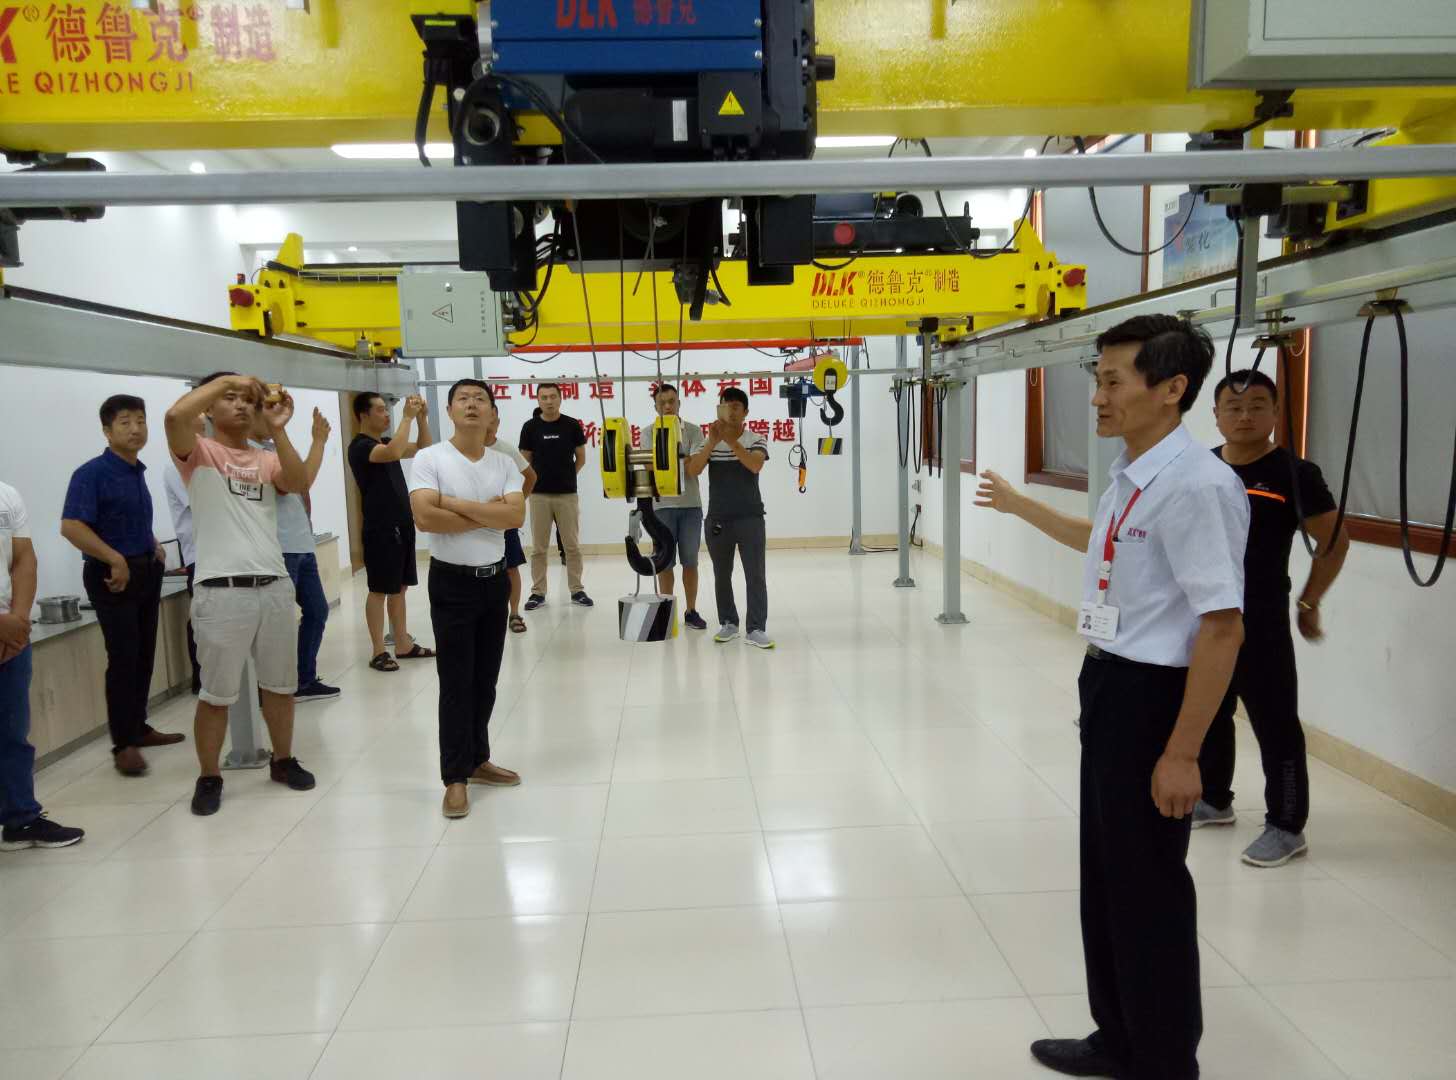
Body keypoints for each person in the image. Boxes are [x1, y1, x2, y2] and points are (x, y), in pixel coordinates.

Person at [975, 315, 1249, 1080]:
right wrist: (1019, 505)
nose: (1097, 397)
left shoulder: (1198, 487)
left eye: (1112, 381)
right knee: (1107, 878)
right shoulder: (1134, 476)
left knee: (1149, 889)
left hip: (1156, 700)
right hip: (1111, 684)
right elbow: (1098, 544)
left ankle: (1163, 1061)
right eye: (1096, 380)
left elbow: (1222, 628)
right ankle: (1118, 1037)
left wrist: (1183, 753)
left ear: (1171, 389)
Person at [1195, 368, 1349, 867]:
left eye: (1257, 406)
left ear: (1276, 413)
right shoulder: (1200, 467)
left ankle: (1286, 826)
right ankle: (1213, 798)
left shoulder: (1294, 474)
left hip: (1259, 621)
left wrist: (1309, 601)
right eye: (1233, 407)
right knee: (1209, 710)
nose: (1245, 416)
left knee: (1275, 722)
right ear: (1216, 415)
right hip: (1204, 616)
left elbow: (1334, 542)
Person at [165, 372, 317, 816]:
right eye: (230, 399)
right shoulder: (198, 453)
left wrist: (279, 430)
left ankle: (283, 760)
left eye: (248, 400)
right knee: (216, 694)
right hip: (221, 590)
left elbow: (298, 481)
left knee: (280, 687)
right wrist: (232, 378)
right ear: (209, 409)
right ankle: (209, 775)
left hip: (273, 585)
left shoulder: (264, 458)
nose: (242, 405)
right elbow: (175, 416)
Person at [408, 380, 526, 819]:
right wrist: (488, 515)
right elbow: (425, 517)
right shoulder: (430, 458)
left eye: (480, 400)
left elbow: (515, 515)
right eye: (463, 399)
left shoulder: (504, 463)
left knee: (485, 680)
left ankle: (478, 759)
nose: (472, 405)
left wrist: (453, 504)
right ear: (450, 410)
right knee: (456, 683)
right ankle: (454, 777)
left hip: (494, 582)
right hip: (451, 583)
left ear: (493, 413)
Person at [60, 395, 185, 778]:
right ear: (107, 430)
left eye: (141, 421)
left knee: (144, 654)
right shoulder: (91, 473)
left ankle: (138, 727)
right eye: (125, 422)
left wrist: (152, 543)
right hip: (112, 577)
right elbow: (72, 527)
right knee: (124, 658)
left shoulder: (135, 471)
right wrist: (114, 558)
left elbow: (125, 519)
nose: (135, 429)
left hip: (145, 571)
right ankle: (123, 744)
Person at [0, 480, 85, 851]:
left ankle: (20, 819)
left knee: (12, 734)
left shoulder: (6, 495)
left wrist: (18, 621)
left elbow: (24, 559)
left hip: (10, 637)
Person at [252, 406, 340, 703]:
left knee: (317, 611)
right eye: (264, 411)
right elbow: (299, 481)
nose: (271, 416)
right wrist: (318, 442)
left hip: (301, 544)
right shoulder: (251, 453)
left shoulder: (272, 448)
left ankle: (303, 679)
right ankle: (270, 688)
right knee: (277, 623)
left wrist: (317, 442)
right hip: (280, 548)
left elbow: (302, 483)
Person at [349, 392, 435, 672]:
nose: (386, 414)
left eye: (387, 410)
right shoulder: (360, 446)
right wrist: (407, 417)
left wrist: (421, 419)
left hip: (402, 524)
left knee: (399, 587)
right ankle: (378, 651)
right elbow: (394, 453)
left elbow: (423, 448)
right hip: (381, 528)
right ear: (363, 415)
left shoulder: (385, 441)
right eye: (380, 410)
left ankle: (402, 644)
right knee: (379, 589)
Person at [687, 386, 773, 649]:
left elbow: (755, 465)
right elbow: (693, 469)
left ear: (745, 412)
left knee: (755, 574)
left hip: (750, 517)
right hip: (718, 518)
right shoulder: (709, 440)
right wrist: (713, 442)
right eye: (726, 406)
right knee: (721, 574)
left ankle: (756, 628)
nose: (731, 412)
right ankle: (728, 623)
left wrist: (731, 441)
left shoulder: (756, 438)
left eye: (736, 407)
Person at [518, 383, 592, 610]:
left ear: (560, 398)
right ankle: (537, 593)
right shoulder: (530, 427)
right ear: (538, 400)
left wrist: (567, 476)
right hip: (539, 495)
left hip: (567, 495)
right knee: (539, 548)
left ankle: (577, 590)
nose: (549, 401)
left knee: (572, 546)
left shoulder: (571, 425)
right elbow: (524, 462)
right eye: (544, 397)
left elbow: (581, 458)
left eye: (552, 396)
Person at [650, 383, 708, 630]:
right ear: (655, 407)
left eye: (671, 401)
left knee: (690, 562)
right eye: (662, 403)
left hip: (690, 506)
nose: (667, 406)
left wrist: (672, 459)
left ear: (679, 403)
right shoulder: (648, 433)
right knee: (664, 562)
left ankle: (691, 611)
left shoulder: (693, 431)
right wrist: (682, 459)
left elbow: (695, 468)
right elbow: (651, 468)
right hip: (661, 507)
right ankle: (667, 610)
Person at [484, 397, 536, 634]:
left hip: (503, 521)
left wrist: (516, 504)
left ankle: (514, 613)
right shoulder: (462, 450)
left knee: (511, 567)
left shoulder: (506, 450)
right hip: (476, 522)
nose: (488, 423)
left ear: (497, 420)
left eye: (492, 418)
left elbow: (531, 477)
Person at [164, 415, 205, 695]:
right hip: (199, 555)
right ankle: (201, 679)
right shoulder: (175, 470)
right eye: (200, 430)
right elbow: (202, 502)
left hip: (224, 554)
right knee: (202, 618)